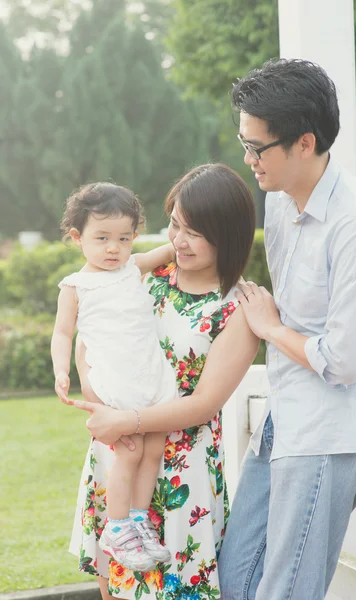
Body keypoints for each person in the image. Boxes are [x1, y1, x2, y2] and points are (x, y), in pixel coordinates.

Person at [216, 58, 356, 600]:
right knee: (236, 578)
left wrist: (270, 330)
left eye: (257, 148)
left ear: (304, 142)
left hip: (333, 433)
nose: (248, 160)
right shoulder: (279, 203)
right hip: (287, 417)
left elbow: (345, 361)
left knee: (286, 593)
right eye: (243, 144)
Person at [69, 164, 259, 599]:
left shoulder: (236, 309)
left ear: (227, 235)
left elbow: (204, 404)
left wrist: (126, 421)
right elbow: (88, 339)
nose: (179, 240)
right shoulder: (142, 277)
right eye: (175, 224)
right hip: (119, 453)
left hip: (179, 469)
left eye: (196, 232)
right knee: (114, 588)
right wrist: (99, 403)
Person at [51, 182, 178, 572]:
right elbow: (62, 333)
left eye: (124, 238)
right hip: (115, 379)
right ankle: (116, 525)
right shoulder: (76, 286)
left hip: (148, 374)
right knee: (129, 452)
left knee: (154, 447)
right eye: (102, 238)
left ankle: (140, 520)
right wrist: (60, 370)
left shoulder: (132, 268)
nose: (113, 248)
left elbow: (170, 248)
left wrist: (198, 229)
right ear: (77, 237)